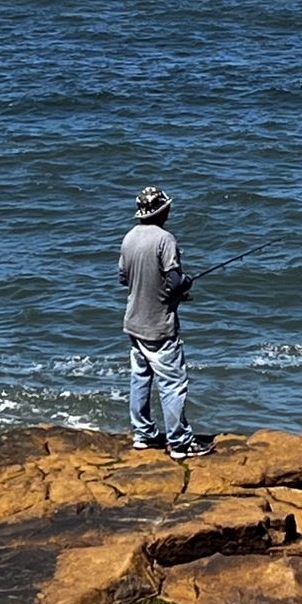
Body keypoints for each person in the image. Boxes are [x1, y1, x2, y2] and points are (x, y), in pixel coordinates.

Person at [118, 185, 212, 458]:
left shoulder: (129, 238)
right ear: (161, 210)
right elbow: (174, 281)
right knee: (173, 383)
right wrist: (186, 282)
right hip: (159, 325)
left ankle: (143, 435)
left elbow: (123, 278)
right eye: (166, 207)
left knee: (140, 378)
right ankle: (180, 443)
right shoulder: (165, 240)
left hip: (133, 321)